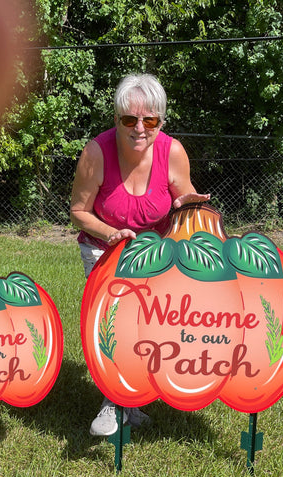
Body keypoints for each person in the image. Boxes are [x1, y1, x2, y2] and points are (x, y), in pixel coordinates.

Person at [70, 73, 210, 436]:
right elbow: (78, 210)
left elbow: (185, 199)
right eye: (128, 120)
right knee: (114, 325)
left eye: (149, 120)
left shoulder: (173, 152)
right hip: (105, 249)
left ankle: (129, 402)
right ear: (116, 118)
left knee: (147, 328)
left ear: (160, 121)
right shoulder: (96, 152)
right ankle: (112, 401)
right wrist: (111, 234)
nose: (139, 129)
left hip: (156, 255)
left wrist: (185, 205)